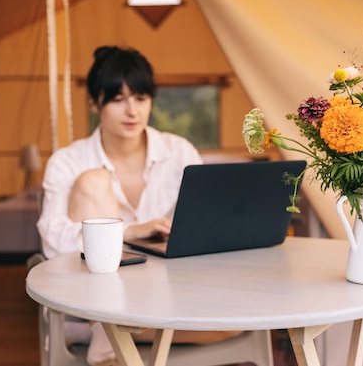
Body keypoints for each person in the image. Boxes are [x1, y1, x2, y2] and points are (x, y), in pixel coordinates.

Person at [36, 46, 239, 366]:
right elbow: (52, 240)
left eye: (141, 98)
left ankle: (102, 332)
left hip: (168, 292)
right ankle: (105, 333)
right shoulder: (67, 161)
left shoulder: (179, 152)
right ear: (93, 102)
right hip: (94, 293)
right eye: (118, 100)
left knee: (233, 325)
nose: (132, 111)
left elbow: (206, 223)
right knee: (93, 182)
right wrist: (129, 232)